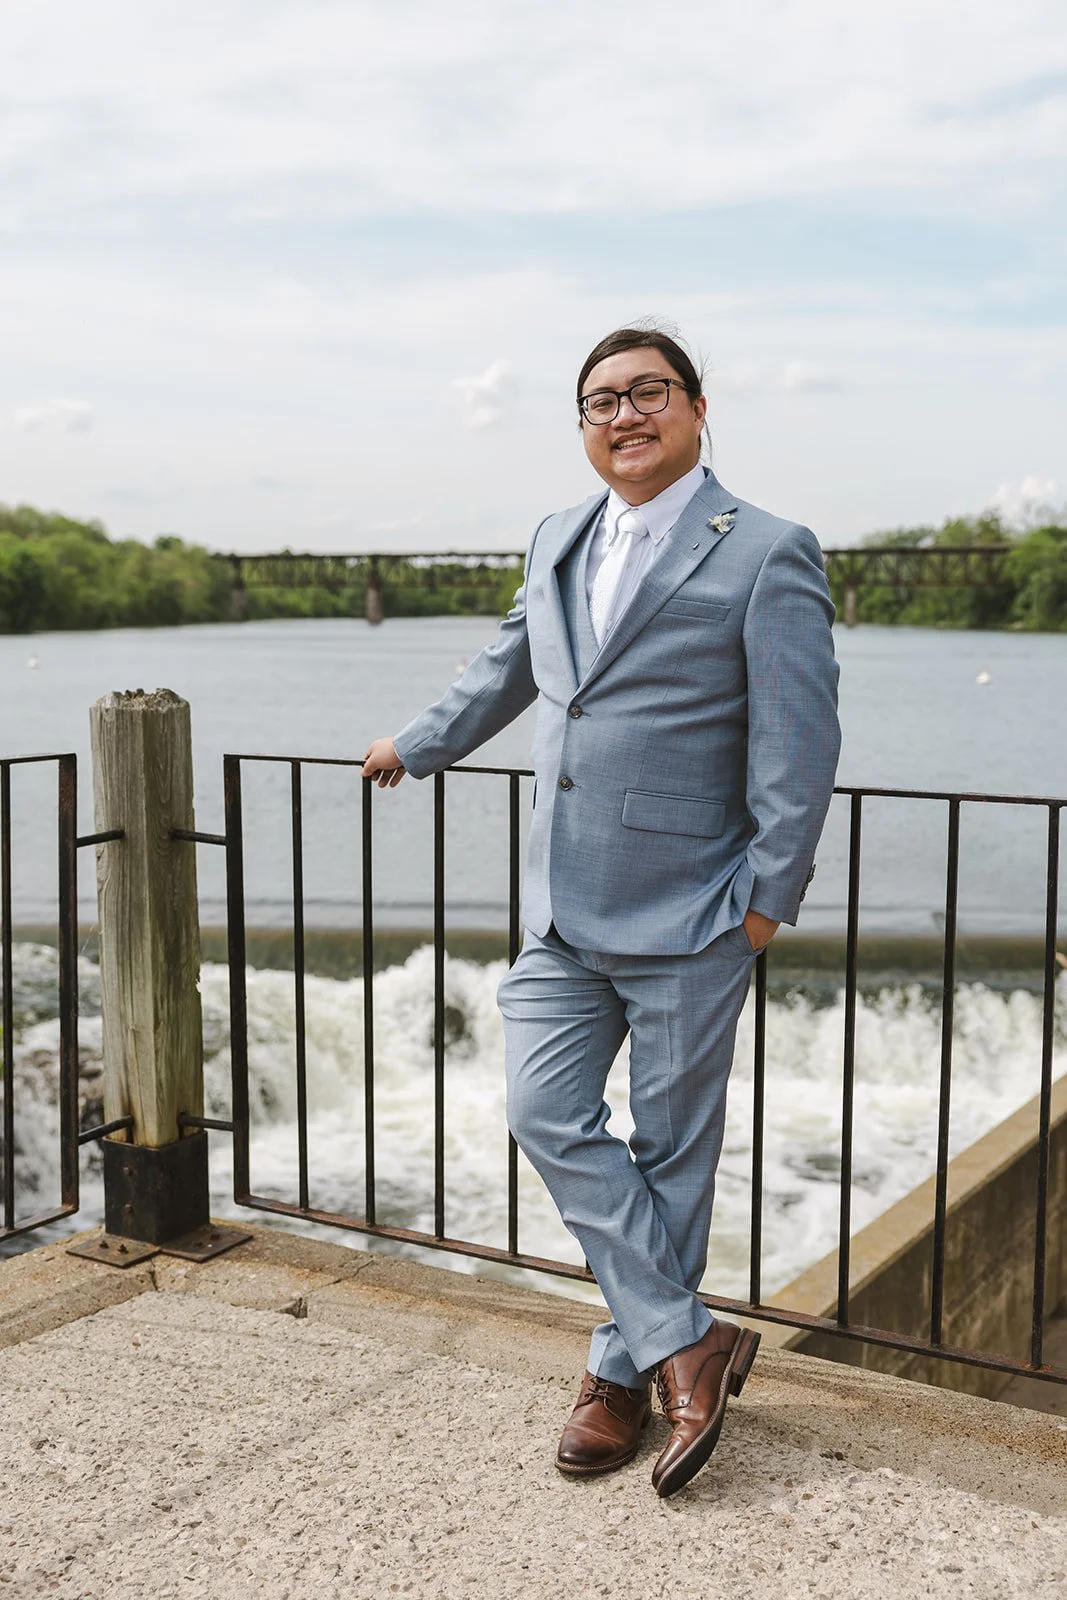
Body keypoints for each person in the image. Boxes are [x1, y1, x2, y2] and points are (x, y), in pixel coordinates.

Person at [363, 324, 840, 1497]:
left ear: (693, 406)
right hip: (562, 912)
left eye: (645, 393)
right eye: (598, 402)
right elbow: (511, 660)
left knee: (671, 1158)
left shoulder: (768, 551)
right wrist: (416, 745)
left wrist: (764, 902)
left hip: (695, 911)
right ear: (583, 428)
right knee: (542, 1108)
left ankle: (615, 1380)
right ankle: (688, 1341)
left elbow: (799, 739)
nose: (622, 415)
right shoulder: (557, 535)